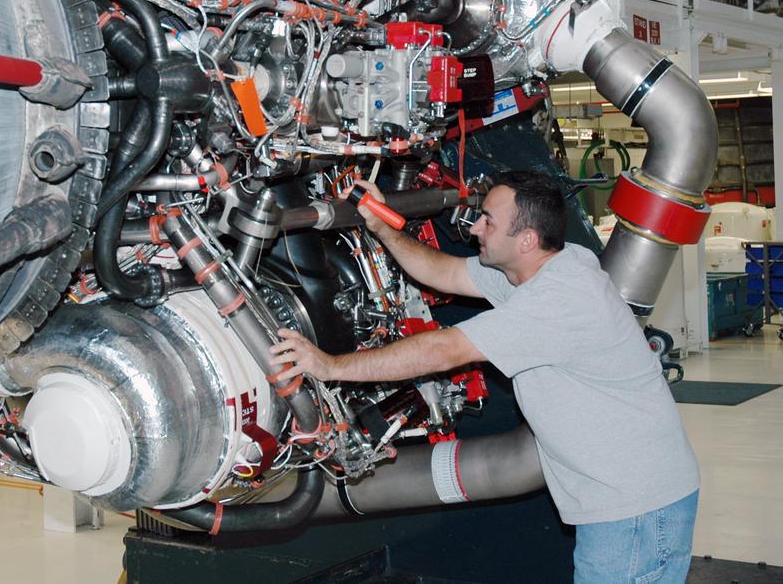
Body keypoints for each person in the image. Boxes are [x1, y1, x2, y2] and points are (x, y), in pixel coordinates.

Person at [271, 169, 699, 584]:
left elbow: (443, 350)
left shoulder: (558, 301)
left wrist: (330, 366)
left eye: (489, 221)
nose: (475, 227)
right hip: (629, 499)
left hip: (634, 511)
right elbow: (445, 272)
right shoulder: (549, 263)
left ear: (527, 240)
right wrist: (382, 226)